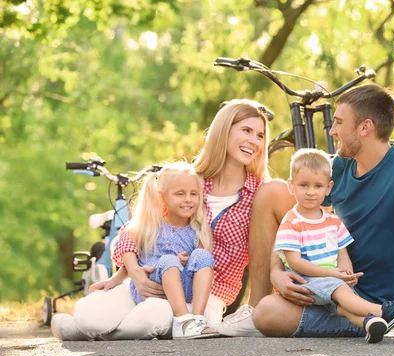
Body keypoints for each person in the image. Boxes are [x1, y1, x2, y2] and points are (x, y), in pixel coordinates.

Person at [251, 84, 394, 340]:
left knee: (267, 314)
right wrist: (277, 272)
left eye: (339, 122)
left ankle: (374, 318)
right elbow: (293, 217)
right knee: (270, 193)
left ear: (365, 128)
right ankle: (252, 305)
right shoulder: (340, 167)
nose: (332, 130)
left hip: (375, 303)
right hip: (331, 285)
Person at [51, 99, 270, 340]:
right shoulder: (189, 180)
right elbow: (136, 229)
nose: (254, 141)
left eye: (260, 135)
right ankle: (89, 327)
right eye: (246, 130)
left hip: (203, 300)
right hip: (151, 279)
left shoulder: (261, 195)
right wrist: (134, 272)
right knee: (88, 312)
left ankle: (92, 335)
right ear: (224, 130)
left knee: (155, 316)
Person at [274, 148, 394, 343]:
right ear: (291, 186)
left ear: (328, 188)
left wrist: (346, 272)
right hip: (306, 282)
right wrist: (333, 275)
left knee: (343, 307)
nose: (311, 192)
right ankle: (381, 311)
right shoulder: (291, 222)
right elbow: (295, 262)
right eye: (303, 185)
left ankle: (370, 324)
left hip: (330, 283)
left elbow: (342, 252)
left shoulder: (333, 221)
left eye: (318, 186)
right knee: (340, 291)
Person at [93, 162, 218, 339]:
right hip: (151, 286)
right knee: (168, 260)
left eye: (193, 194)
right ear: (162, 197)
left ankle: (197, 319)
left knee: (203, 255)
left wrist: (185, 260)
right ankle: (183, 321)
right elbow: (129, 254)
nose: (188, 199)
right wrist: (113, 280)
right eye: (180, 194)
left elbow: (196, 265)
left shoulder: (197, 231)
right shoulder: (149, 226)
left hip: (183, 288)